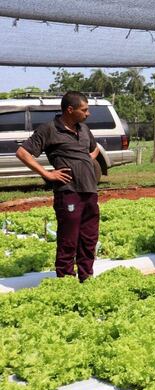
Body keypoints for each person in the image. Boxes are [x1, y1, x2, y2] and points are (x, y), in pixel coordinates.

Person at [15, 91, 100, 282]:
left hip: (90, 191)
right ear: (70, 110)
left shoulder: (84, 129)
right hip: (68, 191)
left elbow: (93, 148)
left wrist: (86, 160)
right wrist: (47, 173)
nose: (88, 114)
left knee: (89, 238)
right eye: (84, 110)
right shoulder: (49, 129)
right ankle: (66, 280)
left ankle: (86, 277)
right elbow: (22, 152)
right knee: (68, 239)